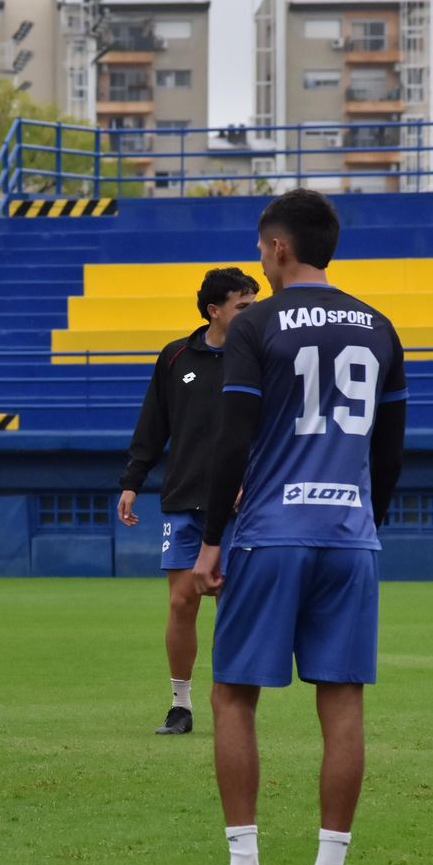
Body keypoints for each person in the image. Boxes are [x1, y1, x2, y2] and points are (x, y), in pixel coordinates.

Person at [190, 189, 407, 865]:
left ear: (278, 248)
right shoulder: (379, 327)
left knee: (232, 696)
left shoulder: (256, 324)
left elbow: (233, 441)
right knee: (342, 703)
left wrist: (212, 540)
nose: (260, 257)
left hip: (272, 534)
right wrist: (364, 521)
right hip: (349, 537)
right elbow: (390, 449)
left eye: (261, 247)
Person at [118, 267, 258, 736]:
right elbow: (153, 425)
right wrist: (133, 480)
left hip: (244, 505)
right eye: (243, 305)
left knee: (232, 604)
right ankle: (180, 704)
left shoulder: (265, 357)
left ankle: (230, 701)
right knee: (182, 602)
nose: (252, 313)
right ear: (214, 310)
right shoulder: (175, 356)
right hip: (184, 500)